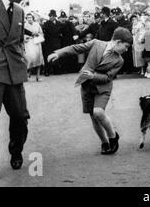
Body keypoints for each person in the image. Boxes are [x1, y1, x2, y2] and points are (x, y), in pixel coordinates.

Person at [47, 27, 133, 155]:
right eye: (125, 46)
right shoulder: (96, 43)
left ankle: (113, 136)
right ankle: (104, 142)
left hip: (103, 88)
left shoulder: (119, 60)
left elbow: (108, 77)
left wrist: (93, 76)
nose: (126, 50)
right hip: (87, 85)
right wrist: (58, 53)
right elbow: (76, 48)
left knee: (98, 112)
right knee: (94, 118)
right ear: (118, 42)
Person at [0, 0, 33, 181]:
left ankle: (16, 151)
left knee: (21, 116)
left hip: (14, 70)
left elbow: (20, 41)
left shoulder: (20, 11)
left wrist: (24, 57)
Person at [24, 13, 45, 81]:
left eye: (30, 17)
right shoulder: (25, 25)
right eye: (28, 18)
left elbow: (41, 33)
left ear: (33, 18)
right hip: (29, 43)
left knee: (38, 59)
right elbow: (22, 34)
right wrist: (26, 37)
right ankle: (28, 75)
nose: (29, 19)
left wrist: (38, 35)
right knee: (30, 59)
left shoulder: (37, 24)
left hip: (36, 43)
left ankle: (38, 76)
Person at [43, 9, 63, 75]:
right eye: (50, 16)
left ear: (55, 16)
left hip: (57, 43)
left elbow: (62, 32)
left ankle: (56, 70)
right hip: (49, 43)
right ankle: (47, 71)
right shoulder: (46, 24)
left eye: (53, 16)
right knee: (48, 57)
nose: (51, 17)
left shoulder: (59, 23)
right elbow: (47, 32)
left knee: (56, 56)